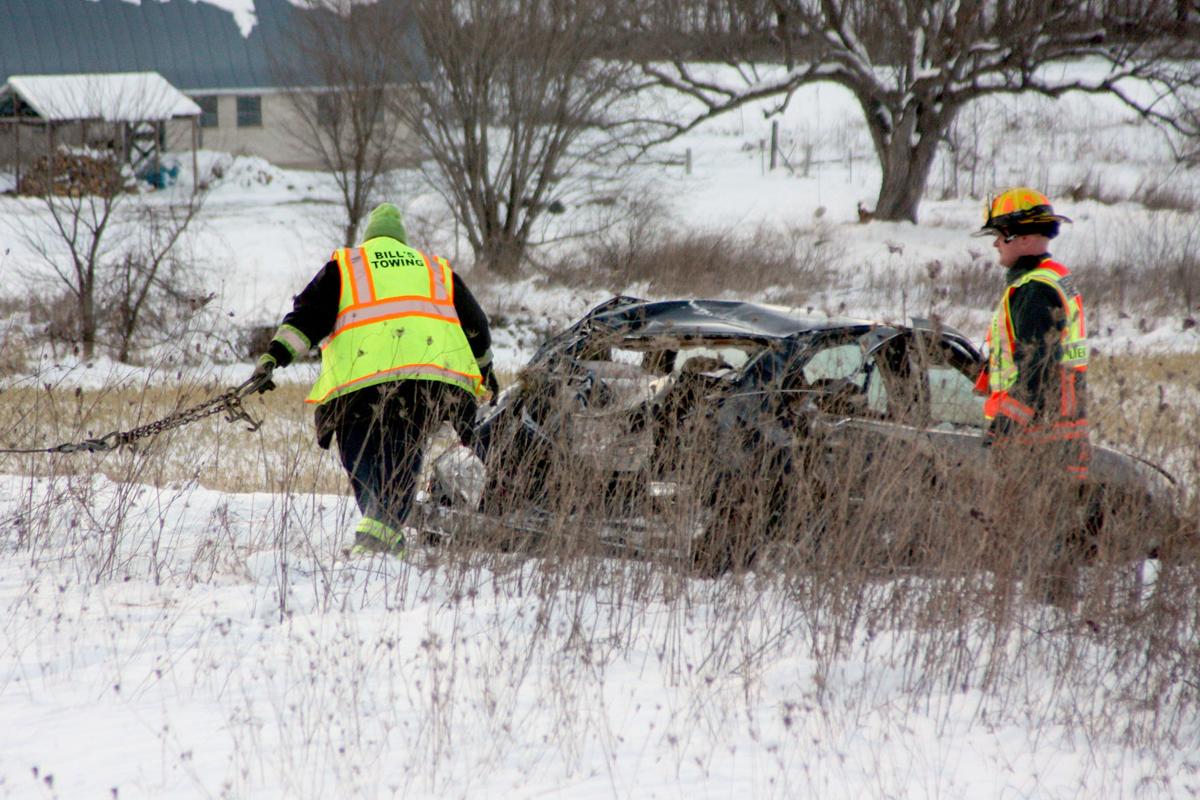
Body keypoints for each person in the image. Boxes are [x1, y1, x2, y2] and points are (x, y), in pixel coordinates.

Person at [250, 202, 498, 556]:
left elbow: (307, 318)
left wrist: (274, 357)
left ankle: (376, 538)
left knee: (361, 453)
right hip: (428, 379)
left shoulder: (347, 267)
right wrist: (486, 371)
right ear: (402, 241)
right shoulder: (435, 269)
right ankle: (386, 536)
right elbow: (477, 325)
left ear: (369, 239)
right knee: (403, 451)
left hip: (360, 384)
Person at [972, 187, 1091, 602]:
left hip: (1037, 439)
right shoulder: (1056, 276)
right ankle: (1051, 610)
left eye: (999, 235)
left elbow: (1036, 369)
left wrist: (1005, 425)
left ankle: (1044, 616)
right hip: (1061, 431)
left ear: (1021, 237)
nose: (994, 244)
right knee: (1051, 535)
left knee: (1036, 536)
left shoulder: (1034, 290)